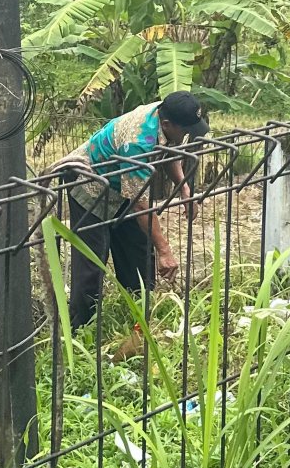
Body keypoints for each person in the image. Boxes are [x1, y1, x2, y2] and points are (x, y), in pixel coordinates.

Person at [52, 90, 207, 331]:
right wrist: (165, 250)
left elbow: (170, 148)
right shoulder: (137, 142)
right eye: (185, 130)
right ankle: (80, 331)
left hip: (123, 184)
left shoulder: (164, 112)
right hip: (91, 184)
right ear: (166, 123)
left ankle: (139, 316)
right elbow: (141, 204)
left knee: (138, 253)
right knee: (92, 264)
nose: (187, 135)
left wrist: (184, 188)